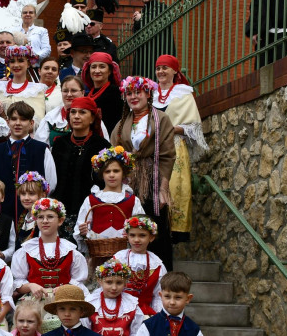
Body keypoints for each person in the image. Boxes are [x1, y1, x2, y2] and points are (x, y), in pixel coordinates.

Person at [111, 76, 176, 268]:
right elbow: (114, 151)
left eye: (137, 92)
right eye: (129, 93)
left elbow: (167, 156)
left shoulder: (161, 119)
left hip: (152, 178)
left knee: (153, 225)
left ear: (148, 94)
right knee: (131, 225)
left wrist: (163, 189)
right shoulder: (123, 122)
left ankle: (161, 277)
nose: (133, 97)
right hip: (129, 179)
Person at [152, 55, 208, 244]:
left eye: (165, 68)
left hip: (174, 145)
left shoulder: (184, 94)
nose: (161, 72)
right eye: (158, 68)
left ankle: (173, 231)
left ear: (175, 71)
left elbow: (193, 127)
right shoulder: (150, 93)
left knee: (173, 188)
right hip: (151, 147)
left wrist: (171, 128)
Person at [0, 102, 57, 221]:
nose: (18, 123)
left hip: (34, 213)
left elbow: (51, 183)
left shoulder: (42, 150)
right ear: (7, 122)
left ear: (31, 123)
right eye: (14, 119)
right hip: (3, 211)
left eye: (23, 119)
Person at [48, 98, 111, 239]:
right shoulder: (60, 144)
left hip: (89, 211)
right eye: (73, 112)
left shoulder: (101, 146)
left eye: (82, 112)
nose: (76, 116)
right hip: (61, 210)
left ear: (92, 118)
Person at [74, 146, 145, 266]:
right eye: (107, 171)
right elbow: (82, 225)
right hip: (98, 256)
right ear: (102, 174)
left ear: (124, 173)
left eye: (116, 171)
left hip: (125, 256)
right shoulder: (91, 199)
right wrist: (83, 231)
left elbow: (141, 226)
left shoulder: (133, 200)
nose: (112, 175)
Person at [12, 198, 89, 304]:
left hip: (63, 301)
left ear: (60, 221)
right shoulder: (26, 250)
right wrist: (30, 286)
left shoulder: (70, 251)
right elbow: (18, 284)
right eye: (40, 217)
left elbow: (78, 283)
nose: (45, 221)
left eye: (50, 217)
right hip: (34, 301)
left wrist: (67, 288)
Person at [111, 216, 167, 315]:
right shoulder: (118, 259)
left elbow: (158, 296)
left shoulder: (157, 265)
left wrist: (158, 317)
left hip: (145, 313)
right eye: (132, 235)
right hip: (119, 312)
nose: (136, 240)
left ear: (151, 237)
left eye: (142, 235)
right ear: (127, 236)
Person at [131, 0, 177, 79]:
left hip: (159, 50)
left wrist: (141, 19)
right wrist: (137, 21)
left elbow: (156, 26)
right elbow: (136, 36)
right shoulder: (142, 11)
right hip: (144, 55)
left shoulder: (161, 7)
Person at [35, 75, 87, 146]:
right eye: (65, 91)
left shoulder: (90, 116)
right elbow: (40, 146)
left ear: (83, 93)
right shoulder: (51, 117)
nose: (69, 94)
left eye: (73, 90)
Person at [81, 52, 123, 137]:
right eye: (93, 67)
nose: (97, 70)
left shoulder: (115, 93)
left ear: (110, 71)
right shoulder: (88, 94)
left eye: (102, 66)